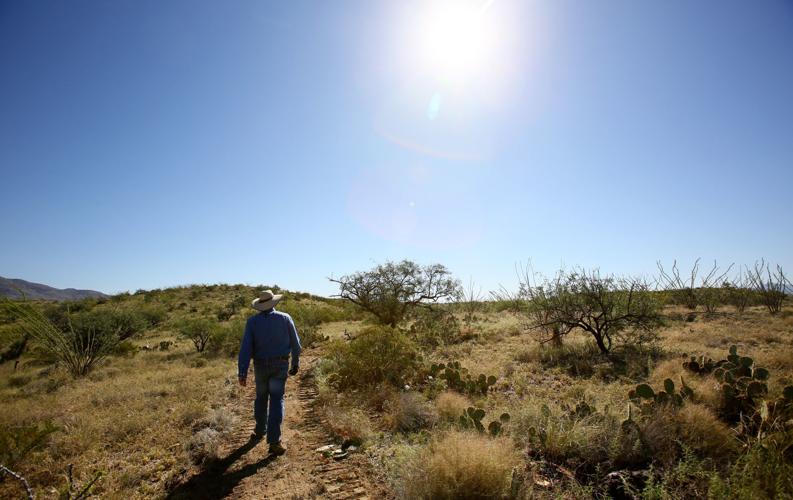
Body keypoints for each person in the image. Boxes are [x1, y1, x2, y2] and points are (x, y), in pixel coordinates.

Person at [238, 289, 301, 456]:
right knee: (276, 399)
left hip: (260, 366)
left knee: (261, 397)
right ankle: (274, 442)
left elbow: (246, 348)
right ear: (274, 302)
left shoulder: (252, 322)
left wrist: (242, 372)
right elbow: (296, 345)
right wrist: (295, 363)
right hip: (280, 365)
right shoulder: (285, 318)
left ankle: (260, 430)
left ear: (259, 305)